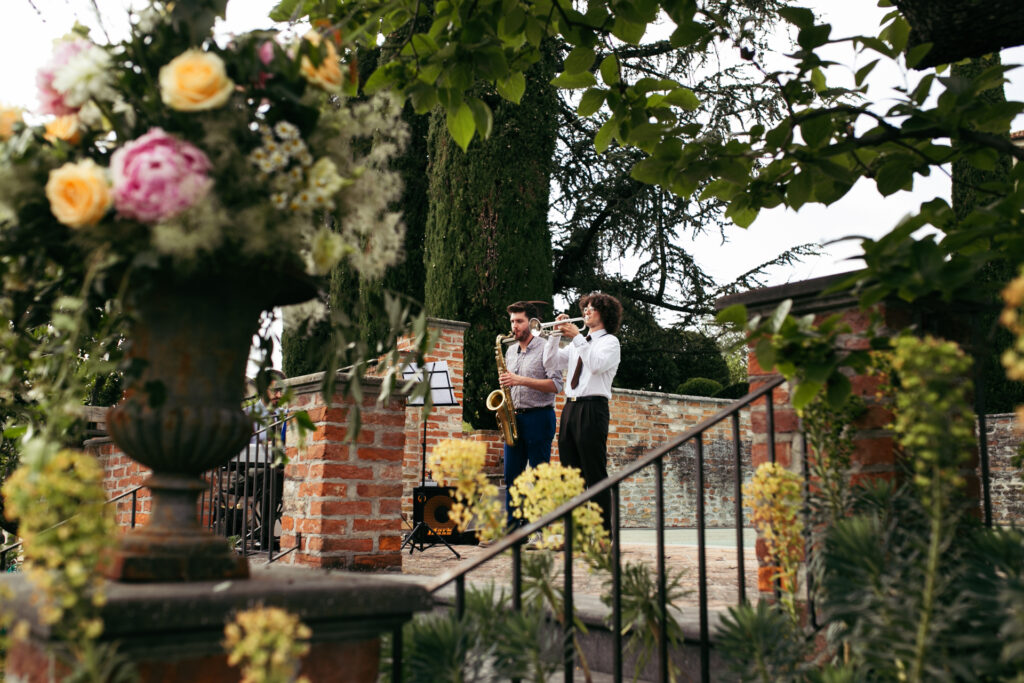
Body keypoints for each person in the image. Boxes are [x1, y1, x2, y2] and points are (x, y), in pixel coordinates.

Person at [548, 292, 623, 531]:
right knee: (570, 476)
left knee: (594, 473)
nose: (586, 311)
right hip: (570, 407)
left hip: (593, 408)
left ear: (605, 314)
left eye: (593, 308)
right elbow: (551, 364)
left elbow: (597, 365)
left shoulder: (610, 342)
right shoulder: (576, 344)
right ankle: (574, 534)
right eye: (585, 307)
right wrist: (554, 336)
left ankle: (602, 534)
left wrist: (578, 338)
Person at [498, 300, 564, 529]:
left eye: (519, 321)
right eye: (512, 321)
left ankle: (540, 530)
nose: (514, 326)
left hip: (539, 417)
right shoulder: (509, 351)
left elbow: (556, 385)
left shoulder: (547, 348)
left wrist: (519, 380)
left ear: (532, 322)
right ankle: (512, 529)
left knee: (538, 477)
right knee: (512, 477)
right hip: (515, 418)